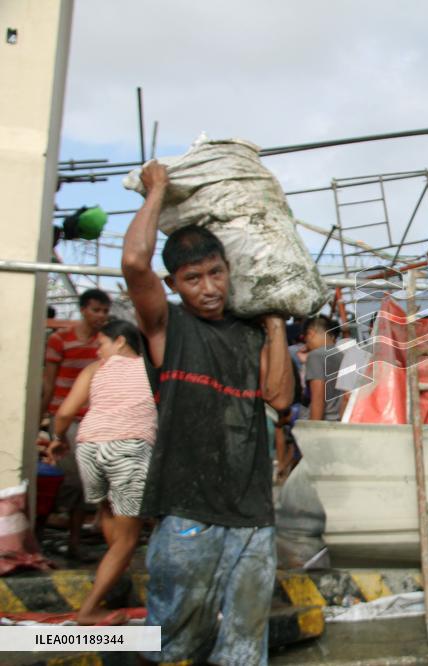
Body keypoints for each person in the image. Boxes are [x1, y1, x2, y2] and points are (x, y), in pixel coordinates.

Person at [122, 161, 293, 665]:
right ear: (174, 284)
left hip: (252, 514)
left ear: (229, 271)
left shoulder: (251, 334)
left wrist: (275, 321)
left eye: (217, 273)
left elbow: (279, 399)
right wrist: (155, 191)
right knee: (170, 640)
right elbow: (135, 263)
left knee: (244, 643)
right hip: (188, 512)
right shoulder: (167, 327)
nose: (209, 287)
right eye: (193, 278)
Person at [48, 319, 156, 625]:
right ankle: (90, 609)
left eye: (101, 344)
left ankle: (112, 579)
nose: (98, 350)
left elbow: (66, 412)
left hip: (90, 447)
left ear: (120, 341)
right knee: (129, 538)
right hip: (128, 447)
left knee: (108, 513)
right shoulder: (151, 368)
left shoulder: (95, 371)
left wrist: (57, 439)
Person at [41, 288, 111, 560]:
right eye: (96, 310)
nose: (101, 316)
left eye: (105, 311)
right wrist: (43, 416)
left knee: (86, 481)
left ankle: (74, 541)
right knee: (70, 480)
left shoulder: (103, 345)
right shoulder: (60, 340)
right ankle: (63, 536)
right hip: (64, 419)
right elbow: (49, 381)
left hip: (92, 420)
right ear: (83, 310)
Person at [302, 315, 345, 421]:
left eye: (305, 338)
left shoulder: (315, 356)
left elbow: (318, 399)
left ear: (311, 333)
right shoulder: (343, 355)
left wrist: (313, 430)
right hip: (341, 420)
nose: (306, 343)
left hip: (324, 423)